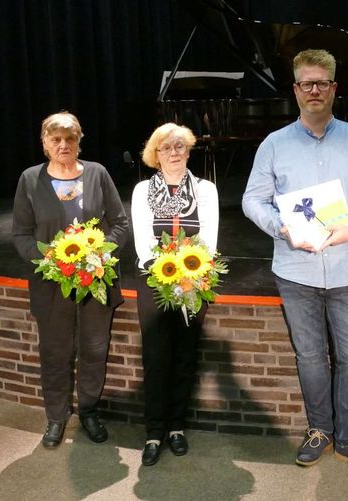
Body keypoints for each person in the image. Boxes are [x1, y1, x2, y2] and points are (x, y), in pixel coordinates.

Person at [242, 49, 348, 476]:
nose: (314, 90)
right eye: (306, 83)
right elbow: (253, 199)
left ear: (334, 88)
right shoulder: (274, 145)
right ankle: (319, 431)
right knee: (309, 356)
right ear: (295, 89)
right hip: (295, 270)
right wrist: (280, 227)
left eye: (322, 83)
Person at [12, 111, 129, 448]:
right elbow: (20, 234)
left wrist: (102, 255)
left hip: (96, 279)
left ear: (79, 141)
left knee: (94, 349)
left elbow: (119, 223)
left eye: (70, 139)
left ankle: (89, 411)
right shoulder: (30, 179)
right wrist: (47, 258)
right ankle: (56, 417)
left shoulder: (97, 174)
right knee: (54, 352)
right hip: (52, 283)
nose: (64, 145)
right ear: (44, 144)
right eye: (56, 139)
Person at [131, 123, 219, 466]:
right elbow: (142, 242)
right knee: (156, 357)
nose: (174, 153)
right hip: (154, 280)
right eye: (166, 148)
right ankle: (154, 431)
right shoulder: (142, 190)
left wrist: (190, 273)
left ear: (188, 150)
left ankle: (177, 428)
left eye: (180, 147)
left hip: (195, 279)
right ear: (156, 153)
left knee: (185, 354)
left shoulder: (206, 190)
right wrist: (166, 271)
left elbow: (209, 240)